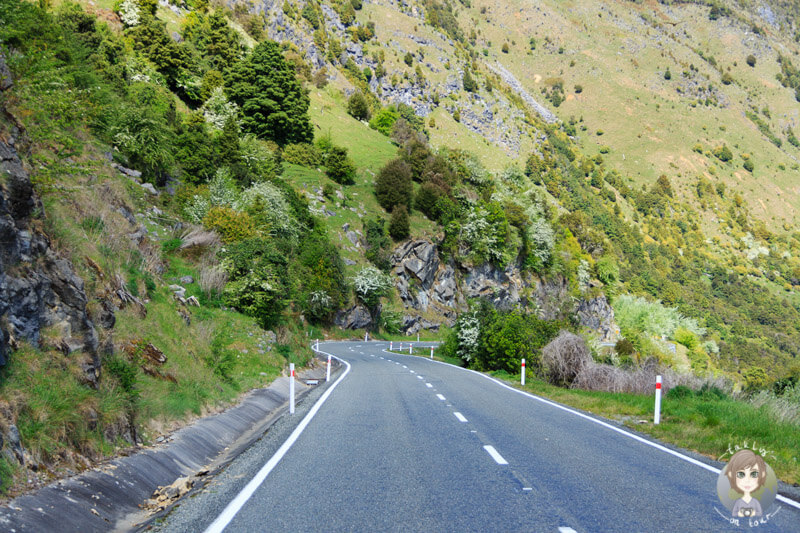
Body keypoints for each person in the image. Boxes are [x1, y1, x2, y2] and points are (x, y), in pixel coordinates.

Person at [725, 449, 767, 517]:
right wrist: (740, 514)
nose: (747, 480)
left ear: (762, 475)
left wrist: (753, 513)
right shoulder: (738, 502)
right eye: (741, 474)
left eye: (754, 474)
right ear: (731, 475)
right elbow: (734, 513)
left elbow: (759, 513)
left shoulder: (755, 502)